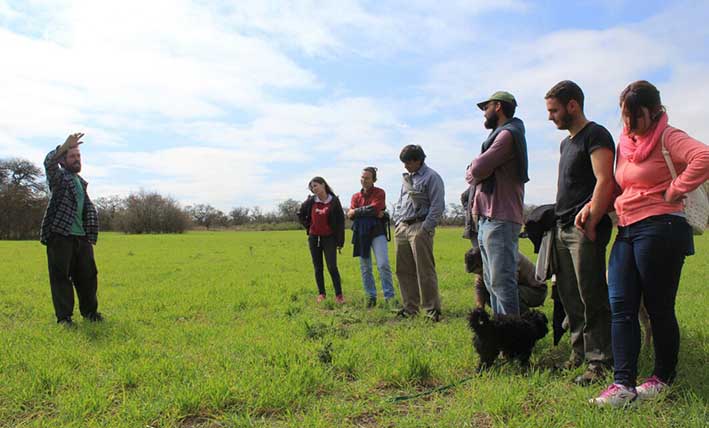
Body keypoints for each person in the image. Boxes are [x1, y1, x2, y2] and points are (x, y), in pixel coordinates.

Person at [590, 81, 709, 407]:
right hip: (626, 229)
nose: (628, 123)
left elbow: (704, 156)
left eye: (634, 116)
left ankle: (662, 378)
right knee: (621, 307)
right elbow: (618, 184)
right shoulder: (626, 143)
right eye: (624, 116)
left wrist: (676, 188)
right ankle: (623, 385)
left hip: (662, 227)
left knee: (658, 308)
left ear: (653, 111)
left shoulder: (669, 136)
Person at [545, 80, 615, 385]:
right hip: (561, 228)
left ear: (572, 105)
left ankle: (600, 362)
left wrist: (593, 216)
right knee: (569, 296)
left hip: (585, 228)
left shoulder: (596, 134)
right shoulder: (566, 143)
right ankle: (579, 353)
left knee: (592, 295)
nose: (550, 117)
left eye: (554, 110)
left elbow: (605, 180)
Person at [466, 91, 529, 316]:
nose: (484, 112)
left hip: (500, 219)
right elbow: (479, 170)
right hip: (488, 219)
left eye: (487, 107)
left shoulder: (507, 136)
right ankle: (502, 333)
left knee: (502, 283)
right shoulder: (498, 136)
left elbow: (477, 169)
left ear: (498, 107)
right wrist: (477, 169)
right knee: (491, 283)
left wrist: (474, 168)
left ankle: (512, 339)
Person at [40, 132, 102, 326]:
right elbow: (49, 163)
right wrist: (63, 147)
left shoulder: (80, 182)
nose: (76, 159)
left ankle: (90, 313)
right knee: (61, 277)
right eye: (72, 156)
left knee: (88, 276)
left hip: (81, 237)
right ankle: (64, 318)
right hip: (61, 235)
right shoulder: (59, 179)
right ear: (63, 161)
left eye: (78, 156)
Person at [392, 145, 445, 321]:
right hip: (403, 227)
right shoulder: (407, 179)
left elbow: (437, 206)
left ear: (418, 160)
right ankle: (410, 308)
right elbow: (400, 202)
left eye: (407, 162)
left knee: (425, 270)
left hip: (420, 226)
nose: (405, 166)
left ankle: (432, 309)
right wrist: (398, 221)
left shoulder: (432, 177)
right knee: (403, 270)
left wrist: (425, 228)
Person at [347, 167, 395, 307]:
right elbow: (352, 215)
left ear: (373, 179)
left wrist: (356, 211)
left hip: (377, 232)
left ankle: (389, 297)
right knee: (365, 267)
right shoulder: (356, 196)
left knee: (383, 264)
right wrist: (369, 212)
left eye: (367, 178)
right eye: (362, 177)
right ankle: (370, 297)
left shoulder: (380, 192)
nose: (364, 180)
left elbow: (376, 208)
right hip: (361, 234)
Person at [297, 177, 346, 304]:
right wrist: (308, 227)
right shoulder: (310, 201)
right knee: (318, 267)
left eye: (316, 185)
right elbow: (300, 214)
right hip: (314, 238)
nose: (314, 189)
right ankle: (322, 294)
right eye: (312, 187)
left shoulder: (334, 201)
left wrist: (340, 241)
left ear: (323, 185)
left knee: (332, 266)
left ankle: (339, 295)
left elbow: (340, 222)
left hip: (329, 238)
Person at [464, 247, 547, 313]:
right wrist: (479, 309)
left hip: (537, 291)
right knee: (489, 293)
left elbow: (509, 285)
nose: (479, 275)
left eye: (479, 271)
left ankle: (524, 319)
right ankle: (505, 316)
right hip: (520, 287)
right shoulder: (488, 262)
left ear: (482, 263)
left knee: (506, 293)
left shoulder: (504, 260)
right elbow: (479, 287)